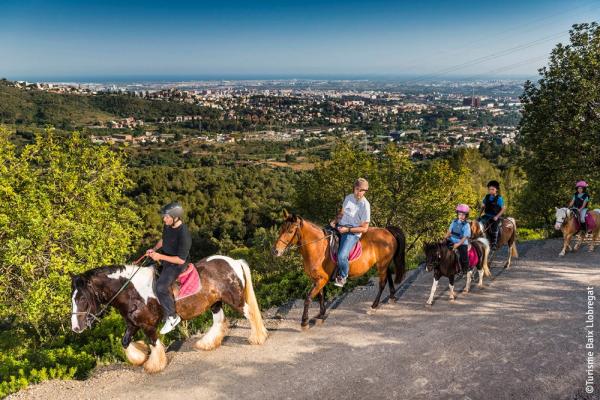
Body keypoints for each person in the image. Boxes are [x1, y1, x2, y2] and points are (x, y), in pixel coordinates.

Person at [146, 202, 192, 334]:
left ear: (175, 217)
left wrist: (159, 256)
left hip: (177, 264)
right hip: (166, 259)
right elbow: (163, 240)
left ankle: (172, 317)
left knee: (161, 287)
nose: (164, 219)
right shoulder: (168, 226)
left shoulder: (184, 234)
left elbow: (181, 259)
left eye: (166, 217)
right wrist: (153, 250)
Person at [331, 178, 371, 287]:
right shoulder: (348, 198)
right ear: (354, 188)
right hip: (340, 226)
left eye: (362, 191)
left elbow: (364, 228)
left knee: (341, 256)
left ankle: (343, 276)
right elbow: (342, 213)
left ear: (365, 191)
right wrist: (335, 221)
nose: (359, 193)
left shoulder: (365, 206)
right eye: (357, 189)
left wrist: (347, 230)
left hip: (352, 232)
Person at [479, 180, 506, 250]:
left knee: (495, 227)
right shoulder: (487, 197)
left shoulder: (499, 198)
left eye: (492, 189)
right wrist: (479, 215)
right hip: (487, 215)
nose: (491, 191)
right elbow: (483, 206)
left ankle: (494, 243)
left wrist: (497, 216)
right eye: (490, 189)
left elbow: (503, 209)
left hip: (495, 217)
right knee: (479, 224)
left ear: (496, 190)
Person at [445, 204, 471, 274]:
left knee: (463, 255)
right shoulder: (454, 222)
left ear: (466, 215)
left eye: (463, 215)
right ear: (457, 214)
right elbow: (449, 231)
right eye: (459, 214)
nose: (461, 216)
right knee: (442, 249)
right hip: (452, 239)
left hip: (461, 242)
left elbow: (465, 237)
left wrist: (457, 244)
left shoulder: (466, 225)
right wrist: (444, 239)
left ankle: (465, 268)